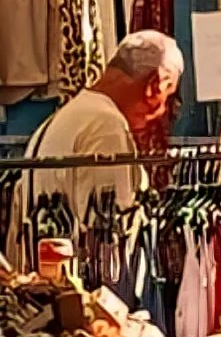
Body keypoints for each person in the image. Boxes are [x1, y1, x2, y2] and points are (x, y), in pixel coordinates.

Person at [12, 30, 183, 257]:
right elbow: (110, 243)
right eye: (167, 99)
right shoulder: (106, 128)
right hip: (81, 289)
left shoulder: (68, 116)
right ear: (157, 84)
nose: (161, 113)